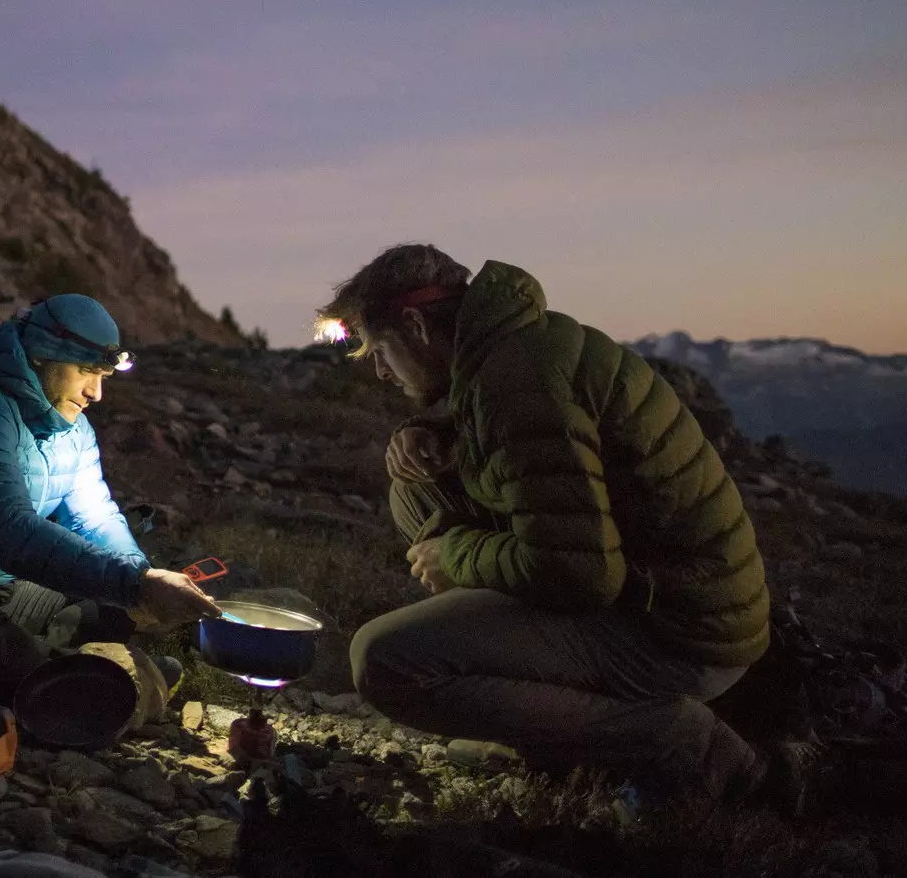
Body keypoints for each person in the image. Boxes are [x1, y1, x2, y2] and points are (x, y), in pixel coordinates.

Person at [321, 245, 803, 807]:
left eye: (382, 350)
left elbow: (579, 573)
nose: (380, 370)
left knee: (386, 661)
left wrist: (454, 554)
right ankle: (550, 718)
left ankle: (684, 745)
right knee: (416, 488)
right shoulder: (513, 346)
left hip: (680, 634)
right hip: (669, 599)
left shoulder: (520, 383)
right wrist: (428, 428)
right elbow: (523, 449)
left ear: (415, 325)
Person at [0, 294, 221, 704]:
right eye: (86, 372)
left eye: (104, 377)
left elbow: (94, 519)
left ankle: (76, 669)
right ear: (41, 358)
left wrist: (139, 578)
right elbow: (9, 533)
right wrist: (133, 585)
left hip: (10, 589)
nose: (96, 393)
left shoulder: (75, 431)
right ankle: (92, 683)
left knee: (117, 605)